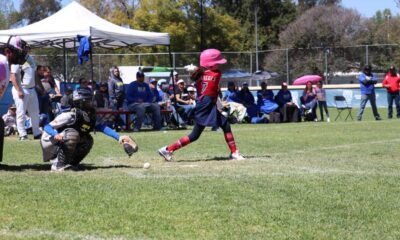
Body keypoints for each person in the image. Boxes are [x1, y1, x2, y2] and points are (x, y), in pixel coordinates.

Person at [158, 48, 244, 161]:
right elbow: (207, 78)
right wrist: (196, 69)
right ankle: (168, 149)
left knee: (207, 131)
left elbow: (199, 76)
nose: (218, 65)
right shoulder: (216, 73)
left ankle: (168, 149)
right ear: (211, 64)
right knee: (199, 134)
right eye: (216, 63)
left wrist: (195, 69)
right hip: (206, 106)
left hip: (203, 105)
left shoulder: (198, 76)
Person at [40, 88, 138, 171]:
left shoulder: (88, 115)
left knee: (88, 140)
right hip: (49, 141)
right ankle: (58, 165)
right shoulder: (70, 114)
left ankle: (71, 164)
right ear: (80, 103)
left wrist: (119, 137)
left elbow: (102, 127)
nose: (92, 103)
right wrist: (55, 134)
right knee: (72, 134)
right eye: (88, 101)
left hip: (60, 141)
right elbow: (47, 126)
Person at [0, 35, 29, 162]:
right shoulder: (1, 63)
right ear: (8, 51)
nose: (20, 56)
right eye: (18, 53)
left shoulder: (5, 64)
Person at [9, 49, 42, 140]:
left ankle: (37, 133)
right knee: (21, 112)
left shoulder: (30, 58)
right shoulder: (17, 60)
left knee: (35, 112)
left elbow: (34, 74)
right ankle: (22, 134)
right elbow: (13, 76)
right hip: (21, 88)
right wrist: (19, 90)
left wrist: (40, 88)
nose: (27, 49)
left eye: (27, 48)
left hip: (32, 89)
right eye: (24, 47)